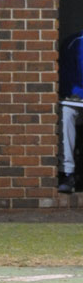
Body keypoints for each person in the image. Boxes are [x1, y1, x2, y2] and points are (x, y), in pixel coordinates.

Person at [58, 30, 83, 193]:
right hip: (75, 100)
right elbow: (67, 78)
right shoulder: (74, 42)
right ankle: (67, 173)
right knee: (65, 114)